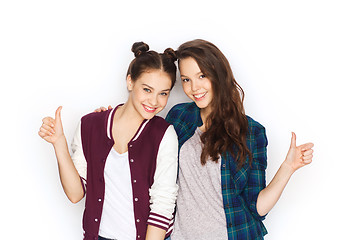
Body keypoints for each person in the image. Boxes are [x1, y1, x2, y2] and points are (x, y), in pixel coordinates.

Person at [96, 39, 314, 240]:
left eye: (202, 76)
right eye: (186, 80)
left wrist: (288, 167)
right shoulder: (178, 117)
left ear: (218, 74)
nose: (194, 88)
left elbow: (256, 207)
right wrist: (113, 119)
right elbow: (143, 144)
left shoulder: (252, 132)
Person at [38, 42, 179, 240]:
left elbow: (163, 203)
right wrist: (59, 143)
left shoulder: (164, 134)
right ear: (130, 82)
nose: (154, 101)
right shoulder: (90, 125)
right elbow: (75, 194)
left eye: (163, 93)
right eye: (147, 89)